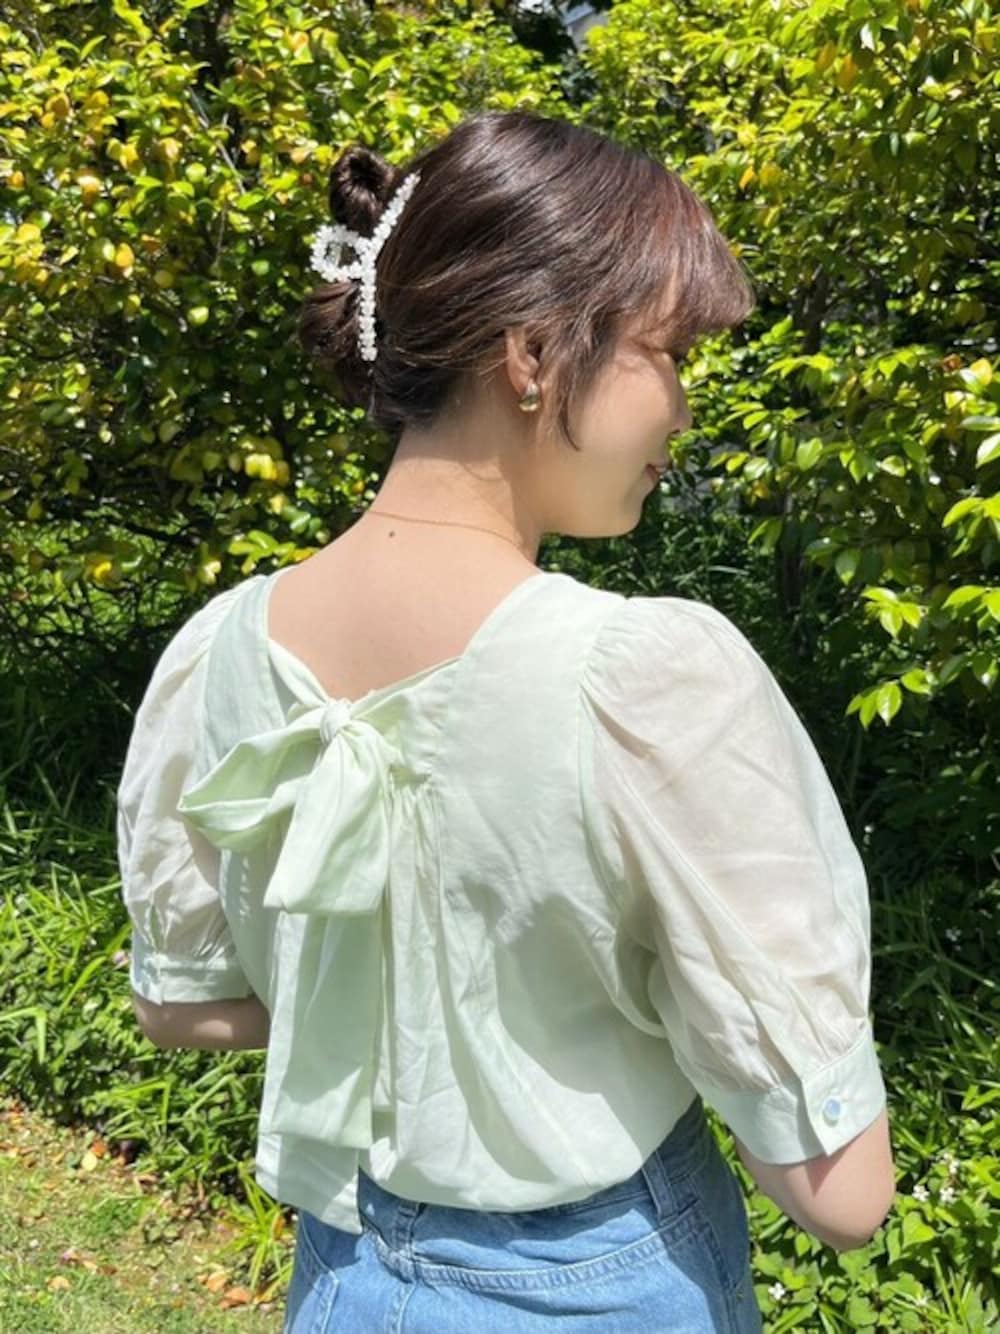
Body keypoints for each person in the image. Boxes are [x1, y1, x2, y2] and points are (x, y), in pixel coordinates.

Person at [117, 109, 895, 1333]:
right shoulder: (636, 676)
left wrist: (404, 994)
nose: (683, 408)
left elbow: (178, 1001)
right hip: (607, 1280)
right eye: (668, 354)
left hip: (345, 1279)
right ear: (532, 351)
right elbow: (842, 1193)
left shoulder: (221, 649)